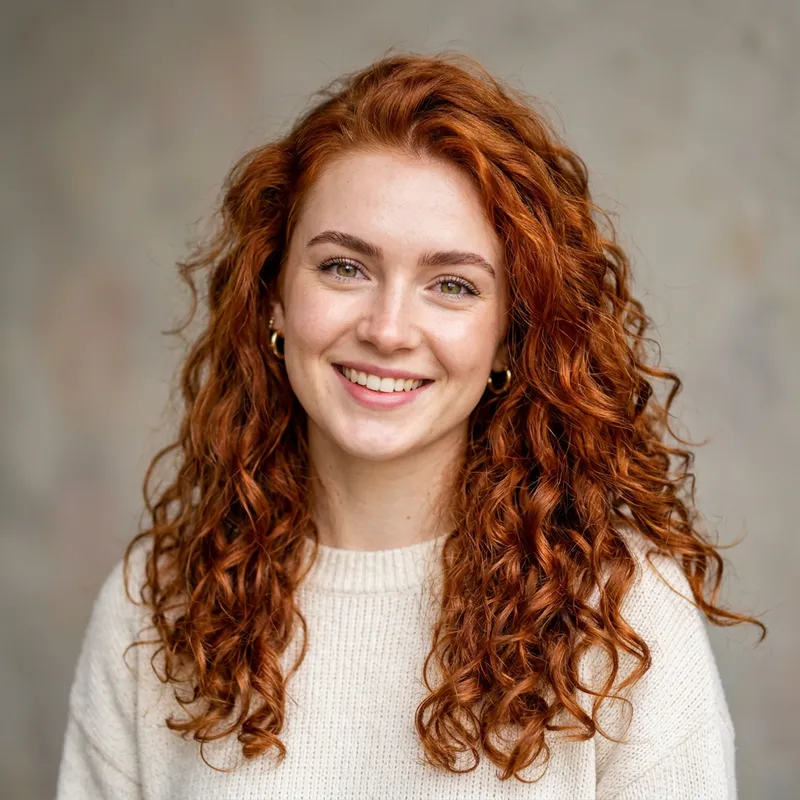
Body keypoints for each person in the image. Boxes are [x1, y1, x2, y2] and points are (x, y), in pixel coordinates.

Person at [56, 51, 765, 799]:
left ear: (509, 337)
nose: (388, 330)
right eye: (344, 268)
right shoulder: (154, 608)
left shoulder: (623, 616)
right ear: (273, 296)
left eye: (452, 285)